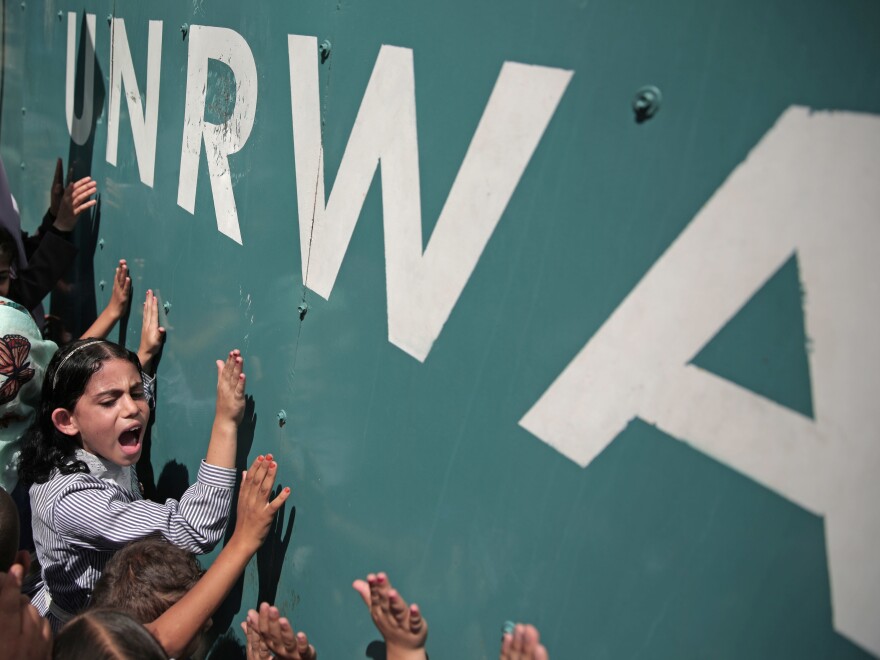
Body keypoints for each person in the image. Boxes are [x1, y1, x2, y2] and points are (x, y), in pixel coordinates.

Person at [18, 341, 248, 630]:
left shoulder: (94, 441)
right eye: (109, 400)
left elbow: (122, 408)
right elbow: (193, 528)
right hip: (89, 635)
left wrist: (144, 359)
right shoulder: (71, 501)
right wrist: (226, 422)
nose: (132, 408)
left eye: (135, 392)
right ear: (66, 420)